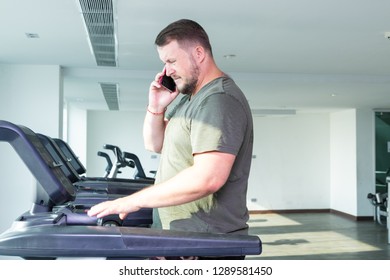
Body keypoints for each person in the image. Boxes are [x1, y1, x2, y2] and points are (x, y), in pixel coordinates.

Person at [87, 19, 253, 260]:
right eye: (165, 62)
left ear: (198, 53)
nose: (168, 70)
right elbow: (155, 144)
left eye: (172, 61)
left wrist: (132, 201)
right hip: (182, 236)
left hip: (203, 243)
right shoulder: (189, 99)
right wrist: (156, 107)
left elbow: (208, 178)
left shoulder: (219, 100)